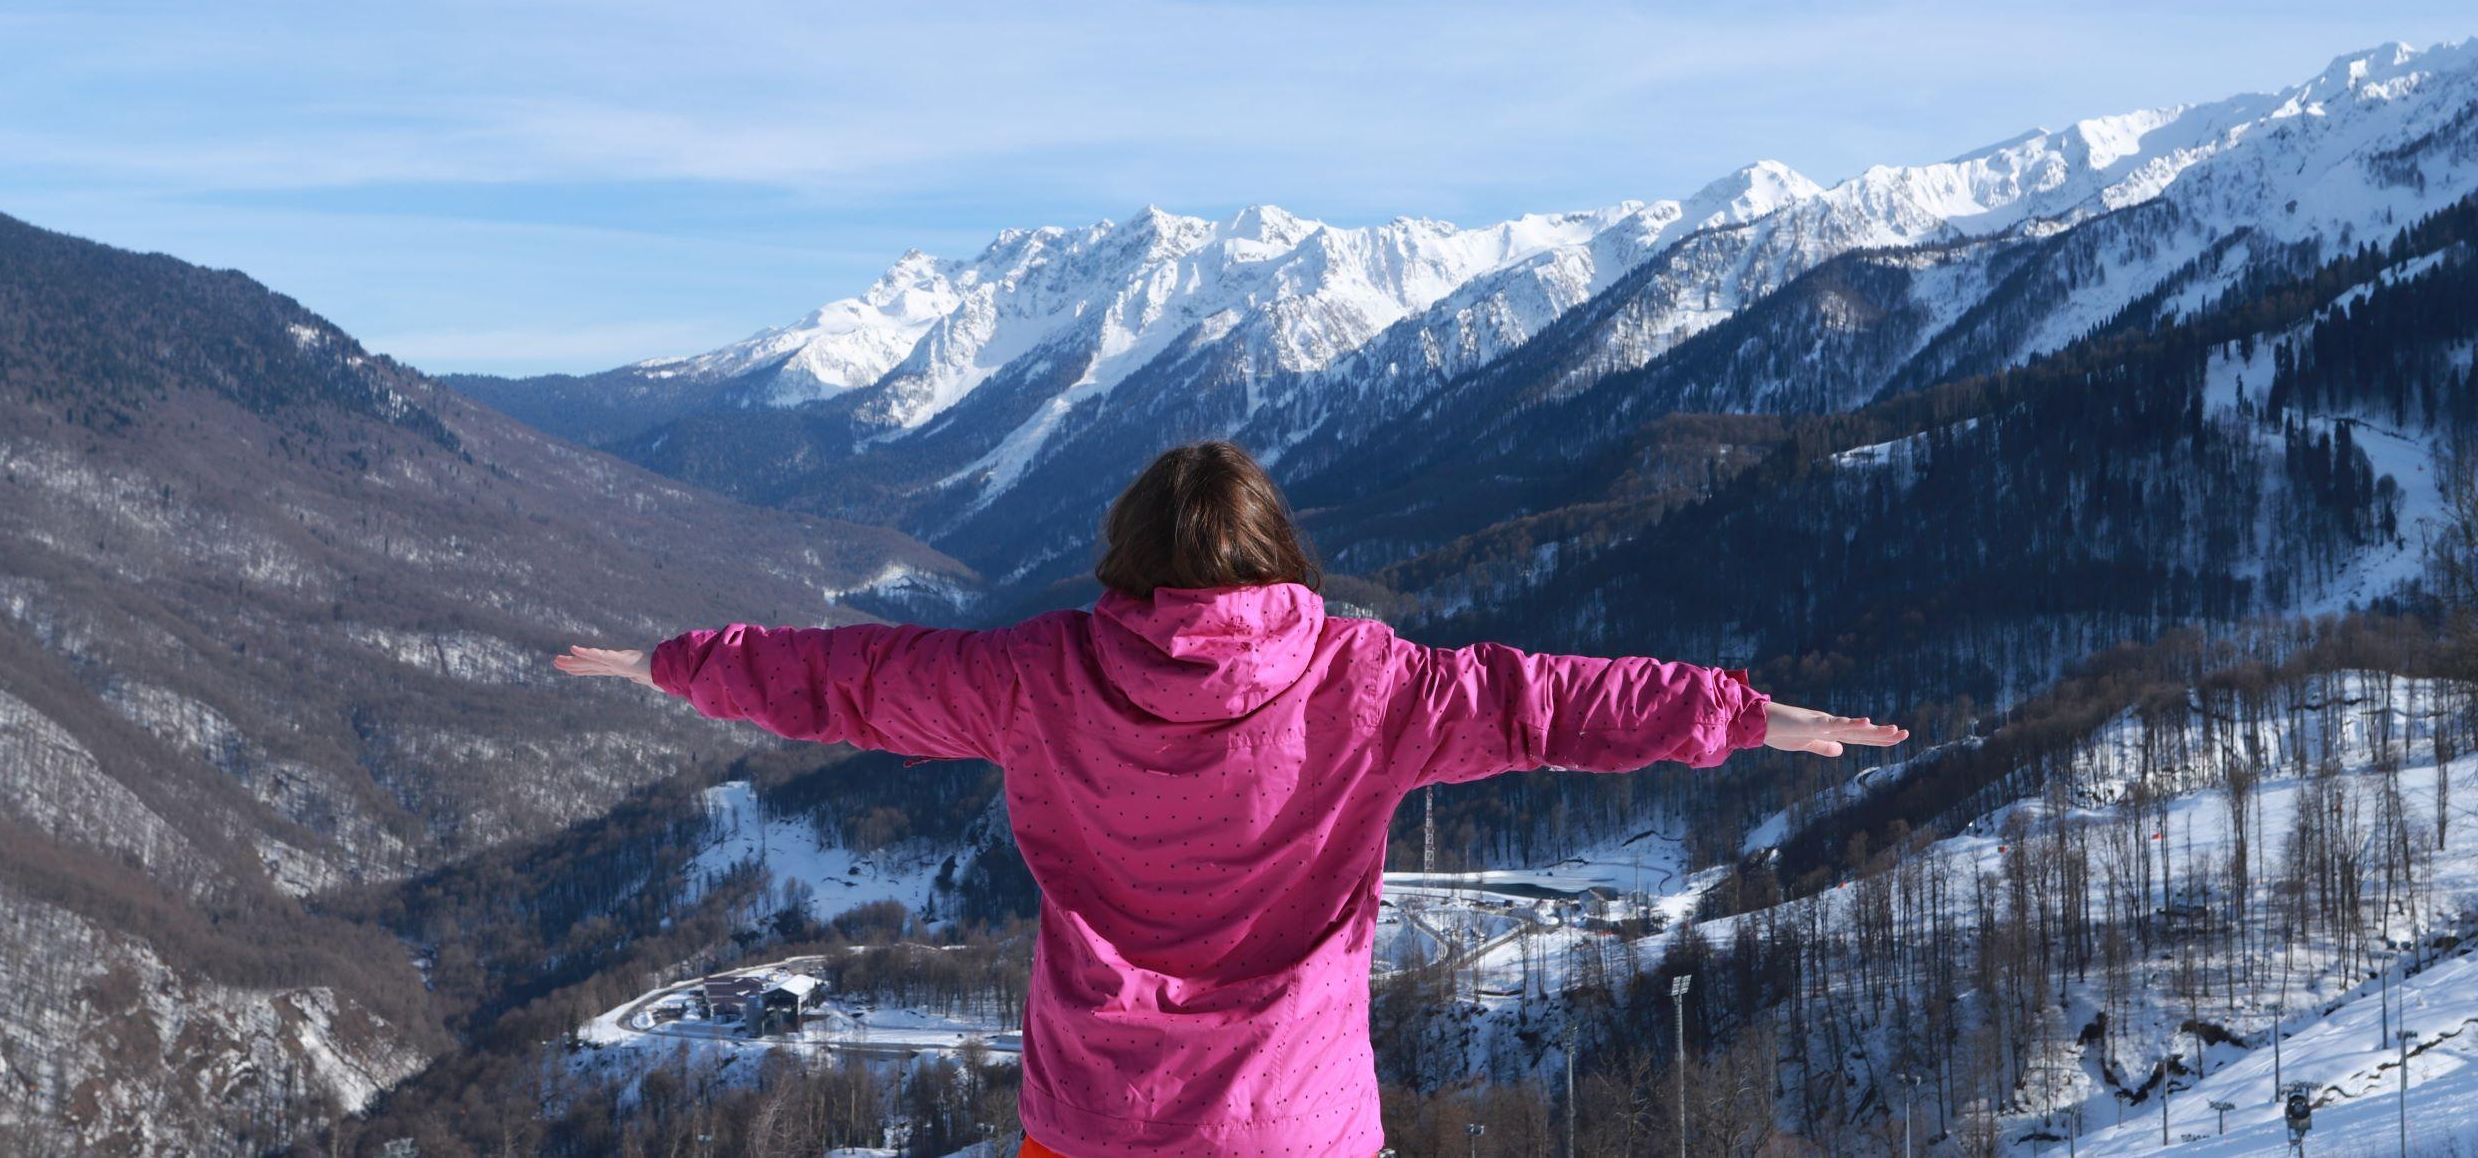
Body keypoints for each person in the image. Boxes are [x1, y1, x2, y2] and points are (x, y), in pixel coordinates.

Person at [557, 439, 1905, 1158]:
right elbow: (1547, 702)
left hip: (1092, 1125)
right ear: (1280, 560)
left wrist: (671, 664)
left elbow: (845, 681)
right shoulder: (1364, 683)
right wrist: (1744, 715)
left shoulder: (1042, 676)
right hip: (1298, 1129)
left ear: (1125, 563)